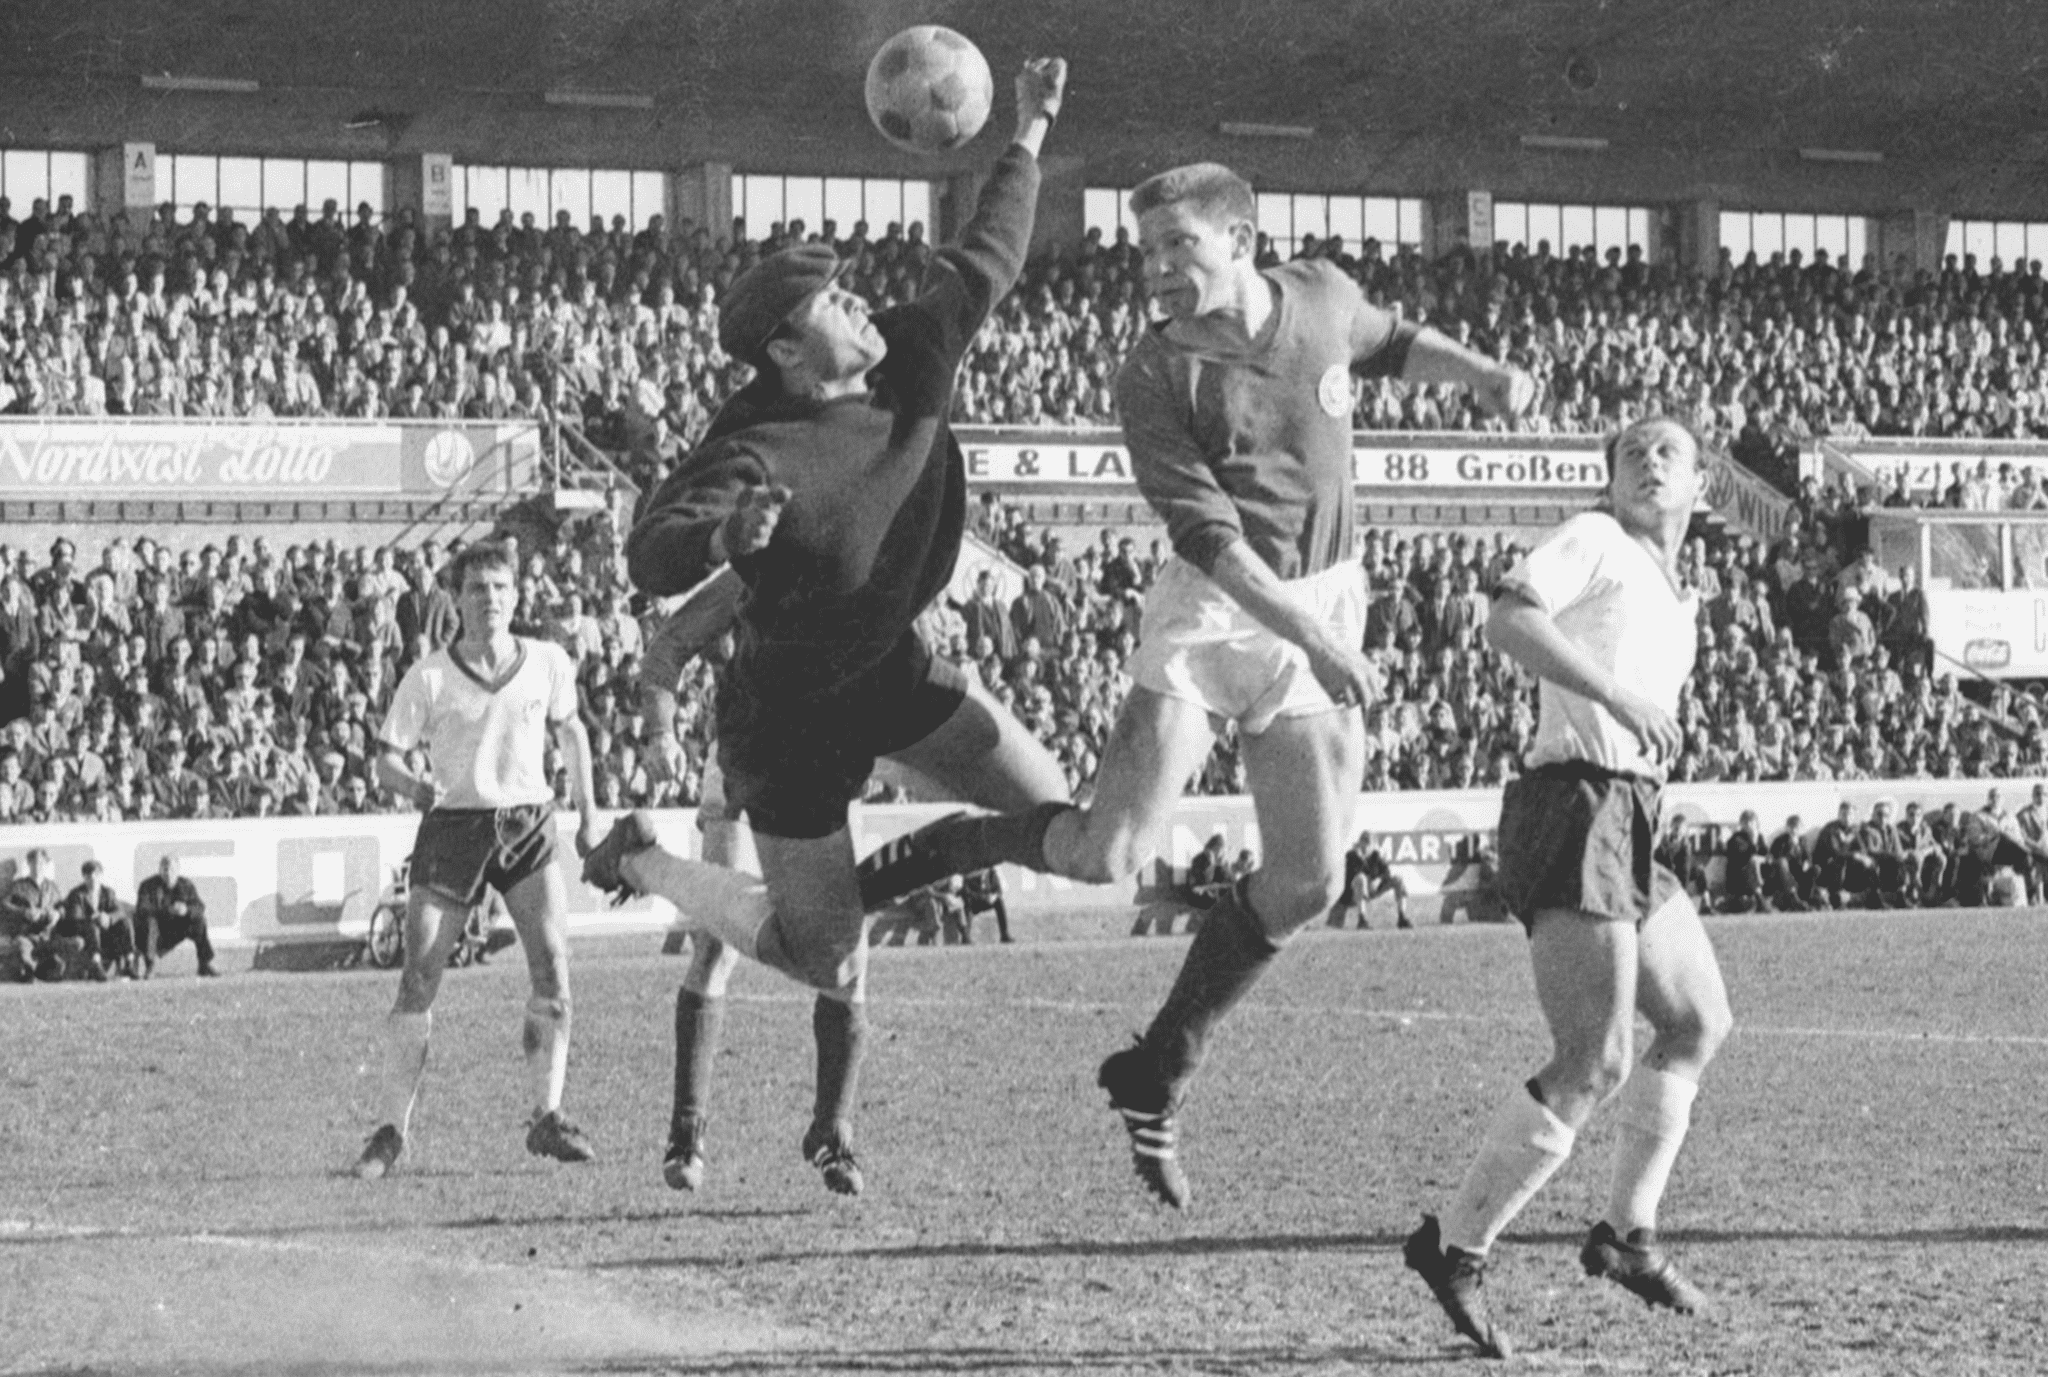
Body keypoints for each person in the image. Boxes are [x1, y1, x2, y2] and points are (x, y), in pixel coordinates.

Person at [854, 158, 1533, 1209]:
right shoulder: (1154, 373)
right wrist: (1314, 641)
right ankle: (951, 847)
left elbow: (1391, 341)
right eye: (1147, 253)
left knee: (1308, 883)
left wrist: (1482, 374)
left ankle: (1158, 1067)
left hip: (1321, 600)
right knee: (1105, 852)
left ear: (1241, 242)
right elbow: (1210, 541)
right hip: (1215, 610)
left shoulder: (1320, 296)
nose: (1158, 270)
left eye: (1178, 246)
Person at [581, 58, 1072, 1200]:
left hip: (889, 667)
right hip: (789, 722)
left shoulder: (914, 349)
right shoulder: (752, 443)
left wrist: (1031, 131)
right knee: (825, 958)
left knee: (1053, 814)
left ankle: (918, 868)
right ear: (788, 356)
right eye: (832, 304)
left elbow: (989, 257)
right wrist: (723, 537)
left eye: (853, 292)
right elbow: (651, 549)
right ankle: (641, 859)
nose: (860, 304)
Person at [1404, 417, 1734, 1359]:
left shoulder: (1678, 591)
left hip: (1631, 812)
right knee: (1593, 1058)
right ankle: (1456, 1246)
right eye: (1630, 453)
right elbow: (1508, 618)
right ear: (1609, 480)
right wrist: (1617, 698)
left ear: (1702, 484)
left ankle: (1628, 1235)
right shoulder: (1596, 538)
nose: (1647, 461)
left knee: (1698, 1021)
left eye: (1667, 452)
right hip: (1576, 801)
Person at [352, 539, 602, 1181]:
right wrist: (414, 788)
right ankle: (391, 1130)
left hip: (527, 824)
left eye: (499, 587)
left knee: (553, 968)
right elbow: (385, 758)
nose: (489, 599)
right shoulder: (430, 676)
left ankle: (548, 1115)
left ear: (515, 596)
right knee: (419, 976)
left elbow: (571, 732)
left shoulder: (547, 661)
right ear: (457, 599)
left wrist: (589, 815)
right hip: (454, 828)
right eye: (476, 589)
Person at [134, 853, 219, 979]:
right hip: (156, 931)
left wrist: (186, 910)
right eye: (165, 869)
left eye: (172, 869)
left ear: (178, 870)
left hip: (177, 929)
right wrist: (167, 910)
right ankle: (150, 965)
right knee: (149, 921)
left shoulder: (186, 885)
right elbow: (142, 909)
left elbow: (200, 907)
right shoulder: (147, 886)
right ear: (159, 870)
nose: (168, 873)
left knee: (199, 920)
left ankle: (205, 963)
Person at [58, 859, 131, 981]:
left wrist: (108, 918)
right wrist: (96, 919)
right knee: (92, 927)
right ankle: (96, 963)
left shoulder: (108, 892)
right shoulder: (77, 894)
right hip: (85, 932)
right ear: (84, 877)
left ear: (101, 876)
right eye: (88, 876)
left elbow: (120, 911)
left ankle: (129, 963)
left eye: (96, 875)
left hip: (105, 931)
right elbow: (75, 919)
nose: (93, 879)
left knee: (125, 923)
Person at [1335, 829, 1409, 929]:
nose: (1365, 845)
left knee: (1398, 879)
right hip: (1354, 894)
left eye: (1368, 842)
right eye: (1363, 841)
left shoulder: (1375, 855)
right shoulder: (1351, 855)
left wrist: (1379, 879)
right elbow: (1355, 873)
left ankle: (1402, 918)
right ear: (1359, 842)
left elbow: (1386, 872)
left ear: (1372, 845)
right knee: (1361, 878)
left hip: (1373, 889)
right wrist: (1361, 858)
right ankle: (1362, 920)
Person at [1718, 810, 1768, 913]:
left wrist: (1762, 857)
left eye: (1751, 822)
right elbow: (1744, 857)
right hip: (1740, 879)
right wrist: (1753, 842)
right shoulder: (1736, 838)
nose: (1749, 825)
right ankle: (1758, 897)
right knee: (1752, 861)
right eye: (1746, 822)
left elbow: (1765, 854)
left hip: (1757, 877)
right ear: (1742, 824)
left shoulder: (1760, 837)